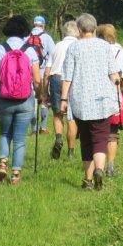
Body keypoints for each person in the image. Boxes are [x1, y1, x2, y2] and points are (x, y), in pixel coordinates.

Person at [61, 14, 121, 191]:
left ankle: (88, 180)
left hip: (80, 101)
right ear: (94, 28)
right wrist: (118, 94)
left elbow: (67, 77)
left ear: (79, 29)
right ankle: (99, 170)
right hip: (102, 101)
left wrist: (63, 99)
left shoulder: (73, 47)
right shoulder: (105, 46)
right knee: (101, 138)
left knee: (86, 140)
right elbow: (114, 75)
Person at [0, 15, 42, 186]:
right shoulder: (30, 50)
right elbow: (36, 79)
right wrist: (40, 95)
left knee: (4, 133)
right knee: (20, 138)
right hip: (25, 100)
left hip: (4, 99)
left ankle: (3, 164)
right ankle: (16, 174)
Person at [96, 24, 123, 176]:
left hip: (98, 94)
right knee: (112, 133)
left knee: (96, 131)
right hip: (116, 94)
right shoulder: (121, 52)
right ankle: (110, 167)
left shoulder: (97, 51)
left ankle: (96, 167)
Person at [45, 20, 79, 160]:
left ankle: (59, 137)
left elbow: (47, 71)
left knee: (57, 113)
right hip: (73, 81)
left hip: (56, 78)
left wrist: (44, 90)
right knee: (72, 116)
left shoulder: (57, 46)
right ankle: (70, 151)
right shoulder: (78, 45)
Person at [25, 15, 55, 135]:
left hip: (28, 72)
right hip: (42, 71)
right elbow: (53, 54)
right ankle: (43, 127)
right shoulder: (47, 37)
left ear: (34, 24)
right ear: (43, 25)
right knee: (44, 98)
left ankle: (33, 128)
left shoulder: (26, 37)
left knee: (31, 98)